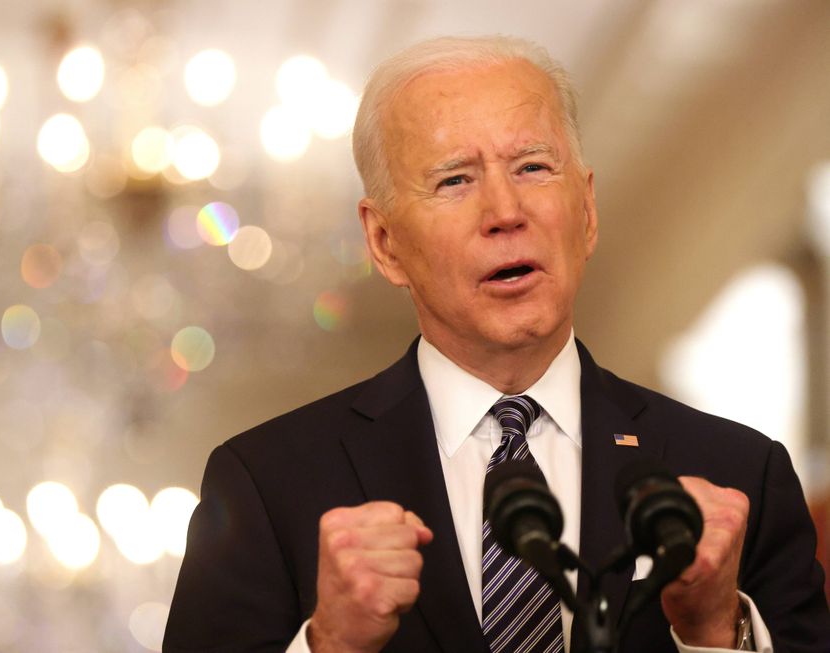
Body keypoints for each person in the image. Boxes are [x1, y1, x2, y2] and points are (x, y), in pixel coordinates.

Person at [162, 35, 830, 653]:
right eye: (454, 179)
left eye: (534, 167)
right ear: (385, 242)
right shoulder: (266, 485)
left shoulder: (743, 475)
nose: (506, 212)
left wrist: (716, 630)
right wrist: (328, 641)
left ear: (587, 212)